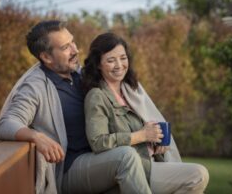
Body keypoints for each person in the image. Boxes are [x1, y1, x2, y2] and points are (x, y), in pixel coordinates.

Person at [0, 20, 152, 194]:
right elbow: (6, 123)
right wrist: (36, 137)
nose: (75, 50)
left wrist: (150, 134)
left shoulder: (83, 75)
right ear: (46, 57)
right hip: (70, 168)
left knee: (184, 179)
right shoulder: (35, 87)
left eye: (73, 42)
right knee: (127, 157)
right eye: (65, 47)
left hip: (103, 157)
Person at [82, 32, 209, 194]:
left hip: (151, 161)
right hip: (134, 170)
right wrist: (142, 136)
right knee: (197, 176)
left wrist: (156, 143)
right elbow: (98, 142)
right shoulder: (97, 96)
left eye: (123, 58)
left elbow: (145, 130)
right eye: (111, 60)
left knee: (199, 174)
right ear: (98, 64)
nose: (119, 65)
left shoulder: (131, 91)